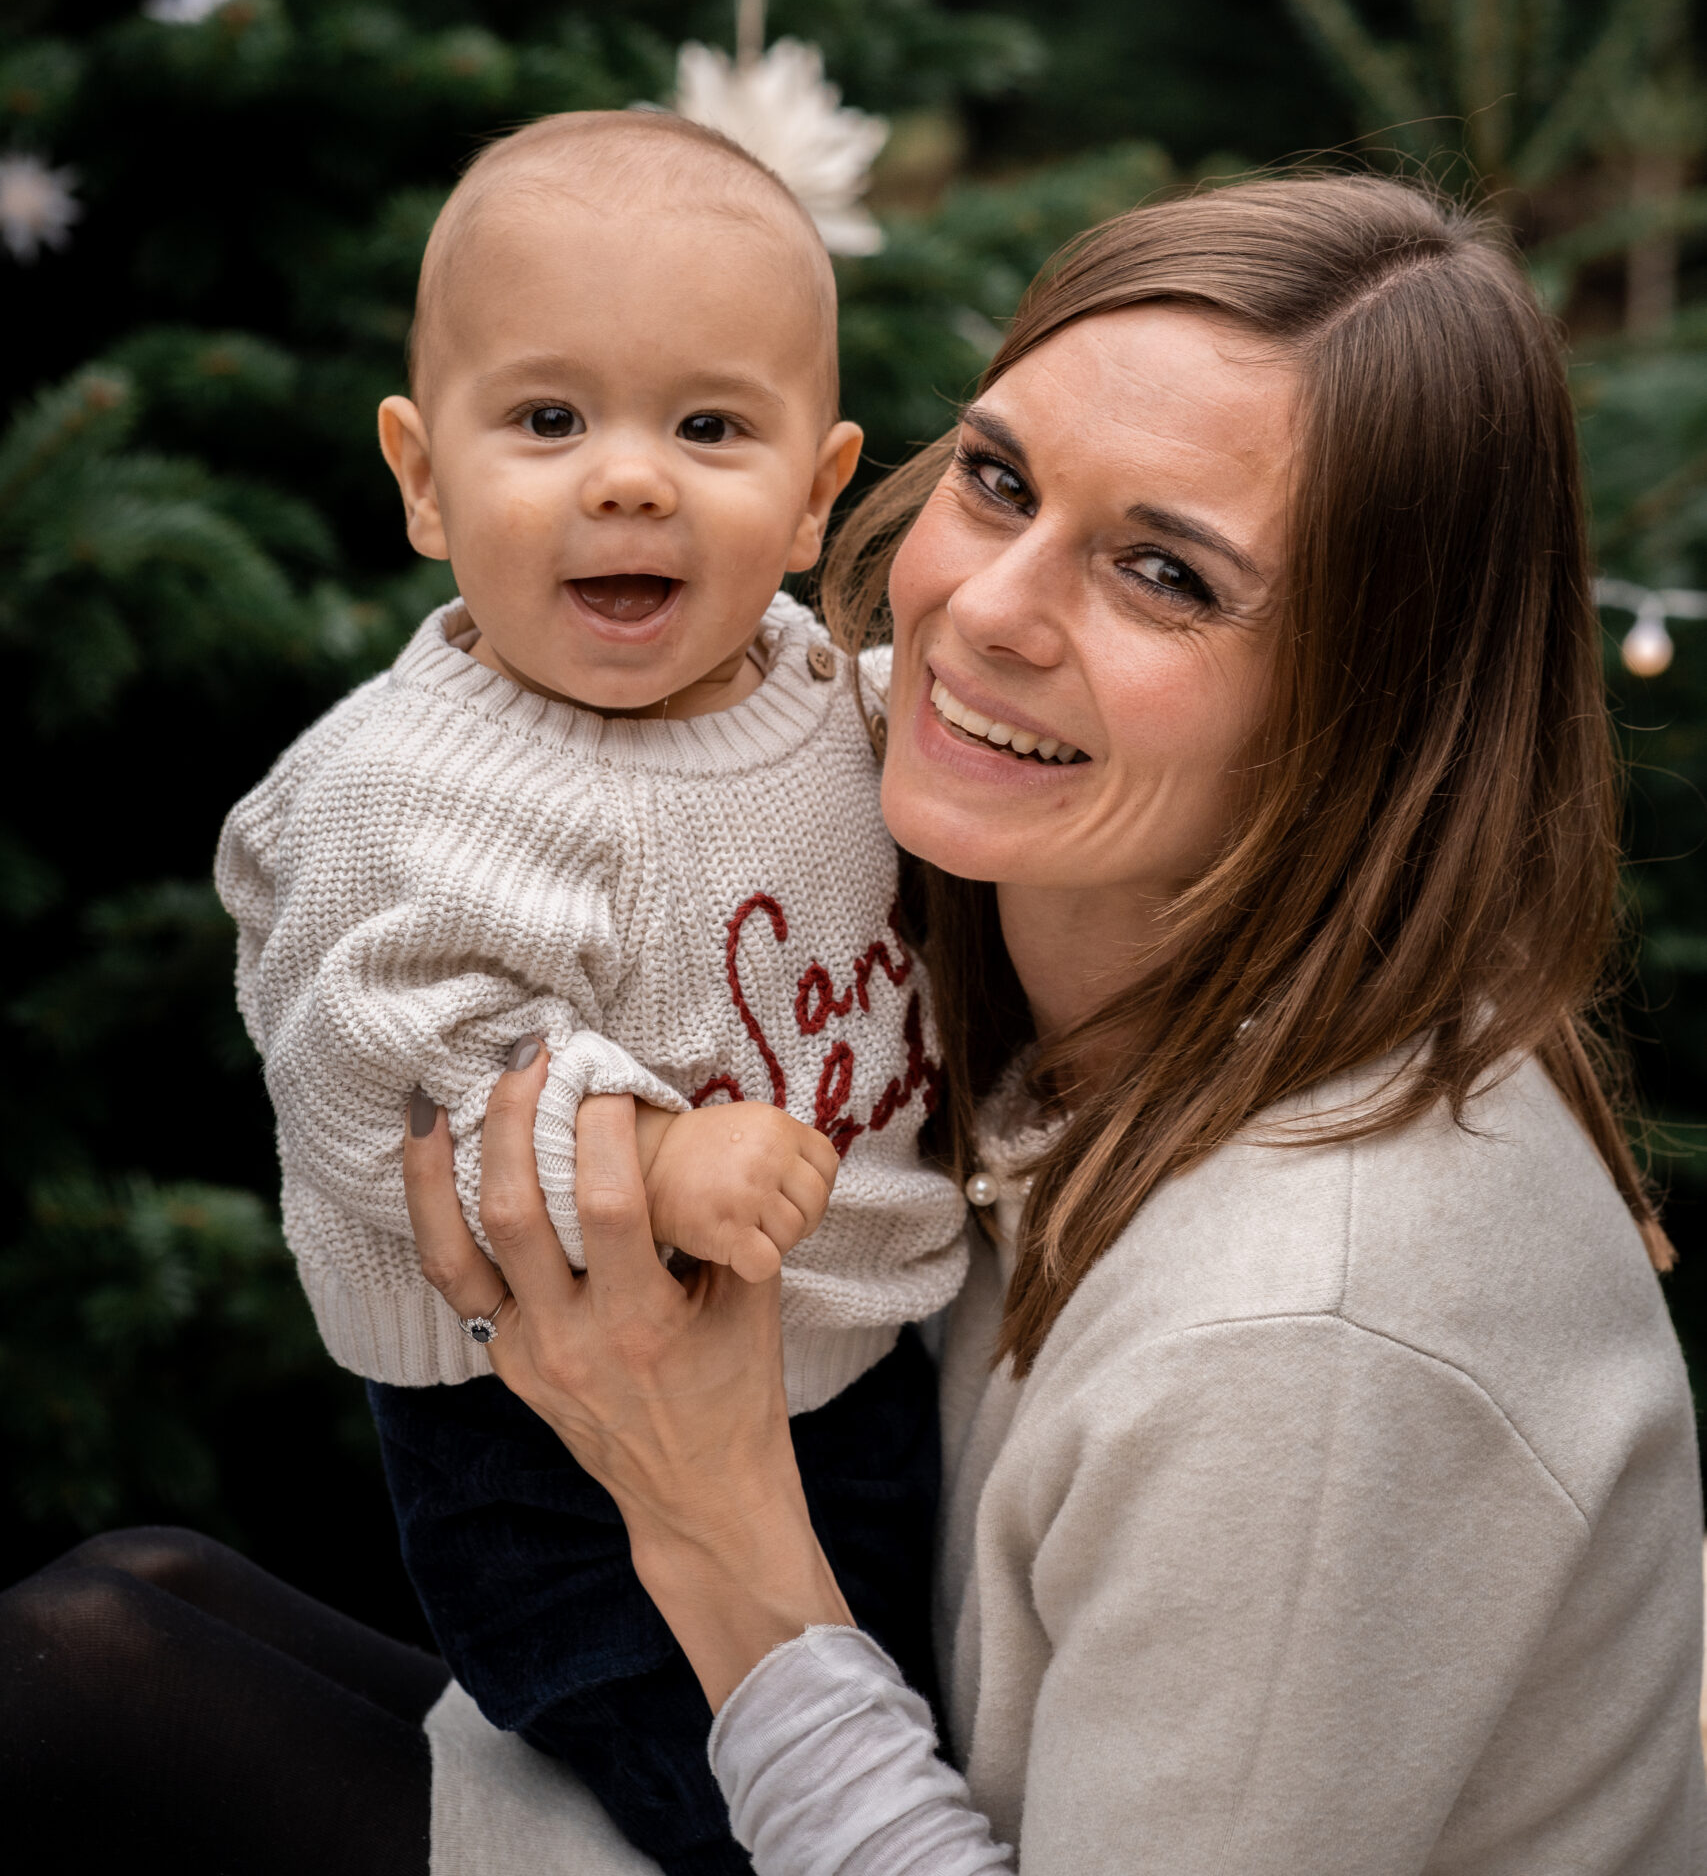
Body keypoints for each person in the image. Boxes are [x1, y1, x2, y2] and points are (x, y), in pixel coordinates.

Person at [4, 173, 1702, 1874]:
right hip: (858, 1742)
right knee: (116, 1621)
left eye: (1165, 574)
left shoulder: (1311, 1336)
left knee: (93, 1700)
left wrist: (707, 1508)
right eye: (999, 480)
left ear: (1376, 705)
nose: (986, 610)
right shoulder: (1024, 906)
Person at [208, 109, 967, 1871]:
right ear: (421, 477)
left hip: (851, 1382)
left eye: (709, 427)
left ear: (816, 496)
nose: (629, 480)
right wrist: (654, 1158)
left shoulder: (825, 701)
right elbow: (390, 1081)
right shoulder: (412, 796)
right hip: (548, 1448)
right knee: (705, 1795)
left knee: (891, 1715)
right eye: (549, 420)